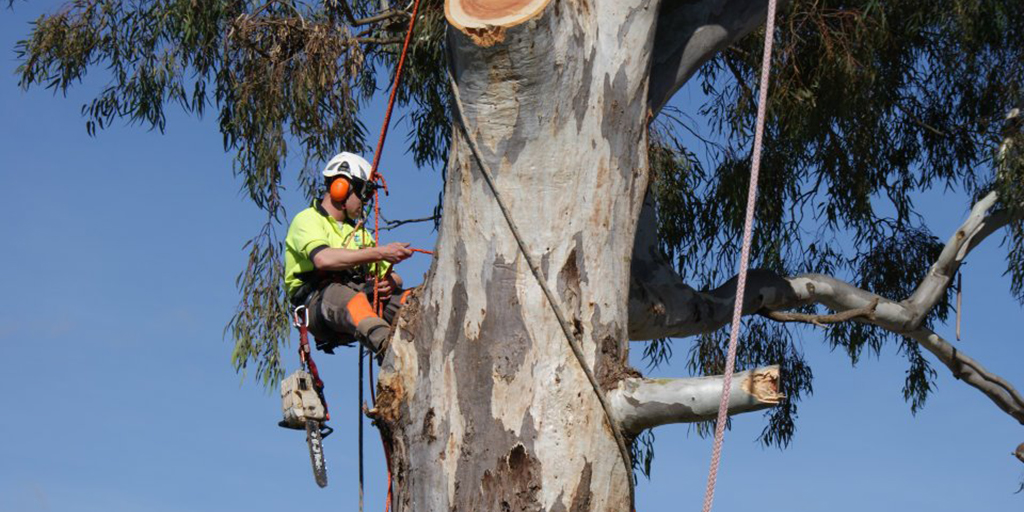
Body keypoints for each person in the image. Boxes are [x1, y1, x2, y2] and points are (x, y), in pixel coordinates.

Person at [284, 152, 414, 358]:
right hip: (320, 302)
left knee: (410, 300)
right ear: (341, 187)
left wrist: (391, 281)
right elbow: (323, 259)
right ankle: (390, 350)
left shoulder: (360, 233)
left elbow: (394, 275)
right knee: (351, 299)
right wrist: (380, 252)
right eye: (364, 194)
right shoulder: (307, 219)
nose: (367, 202)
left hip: (358, 294)